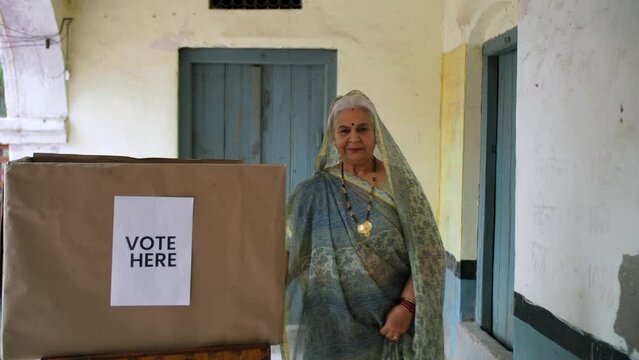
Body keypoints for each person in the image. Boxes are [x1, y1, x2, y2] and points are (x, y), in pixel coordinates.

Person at [284, 90, 445, 360]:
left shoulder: (402, 187)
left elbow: (428, 252)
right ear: (333, 138)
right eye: (344, 130)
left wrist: (407, 307)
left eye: (362, 129)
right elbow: (286, 253)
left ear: (376, 134)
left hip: (389, 329)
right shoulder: (311, 192)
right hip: (329, 333)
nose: (353, 138)